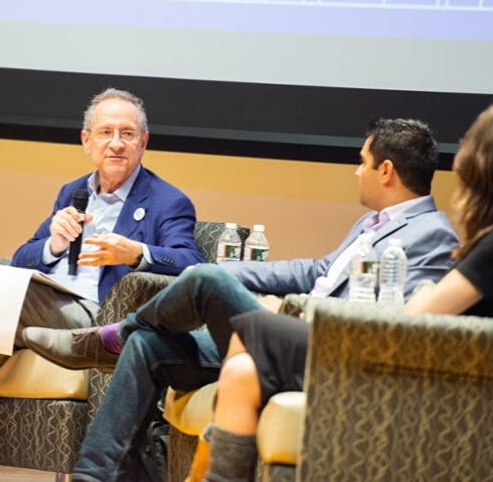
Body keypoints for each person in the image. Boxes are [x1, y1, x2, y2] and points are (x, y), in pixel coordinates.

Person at [23, 118, 459, 481]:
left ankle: (107, 339)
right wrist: (219, 271)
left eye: (361, 162)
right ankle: (92, 475)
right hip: (290, 334)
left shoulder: (432, 234)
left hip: (318, 347)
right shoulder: (372, 222)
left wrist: (291, 309)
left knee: (207, 282)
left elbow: (393, 321)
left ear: (385, 170)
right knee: (150, 343)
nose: (355, 171)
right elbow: (313, 273)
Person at [185, 103, 493, 482]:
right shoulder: (377, 225)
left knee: (255, 324)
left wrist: (295, 309)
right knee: (241, 371)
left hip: (396, 368)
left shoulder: (477, 244)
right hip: (403, 358)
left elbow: (415, 320)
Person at [0, 87, 205, 372]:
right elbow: (21, 260)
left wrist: (136, 253)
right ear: (87, 140)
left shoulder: (168, 201)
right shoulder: (73, 191)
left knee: (5, 299)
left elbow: (192, 262)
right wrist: (53, 244)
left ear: (143, 142)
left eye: (127, 134)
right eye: (105, 132)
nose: (116, 144)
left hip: (100, 313)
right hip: (49, 299)